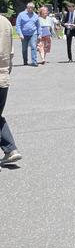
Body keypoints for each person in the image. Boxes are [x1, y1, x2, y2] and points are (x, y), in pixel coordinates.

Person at [0, 14, 23, 167]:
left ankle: (10, 149)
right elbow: (11, 53)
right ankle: (10, 149)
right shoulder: (5, 22)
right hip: (3, 76)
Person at [15, 2, 41, 66]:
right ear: (27, 8)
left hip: (33, 34)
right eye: (29, 8)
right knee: (24, 49)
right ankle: (25, 61)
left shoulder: (35, 15)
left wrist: (39, 34)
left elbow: (38, 26)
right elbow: (18, 25)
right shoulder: (21, 15)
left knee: (33, 46)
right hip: (24, 34)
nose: (30, 9)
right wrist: (20, 34)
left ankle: (34, 61)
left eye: (32, 8)